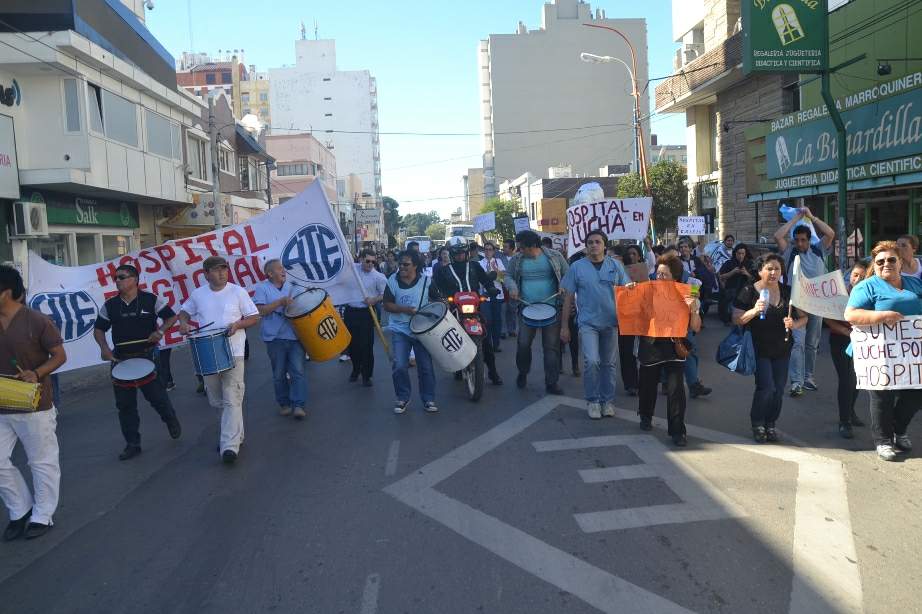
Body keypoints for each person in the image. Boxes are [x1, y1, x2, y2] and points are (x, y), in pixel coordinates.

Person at [0, 265, 66, 540]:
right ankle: (20, 510)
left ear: (6, 292)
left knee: (41, 461)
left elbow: (60, 356)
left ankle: (43, 514)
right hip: (2, 403)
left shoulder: (36, 320)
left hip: (34, 404)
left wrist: (36, 373)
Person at [93, 264, 181, 460]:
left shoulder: (150, 300)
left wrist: (159, 332)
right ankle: (132, 443)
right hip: (121, 359)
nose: (117, 281)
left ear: (134, 279)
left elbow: (171, 316)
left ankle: (170, 419)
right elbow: (99, 329)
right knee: (125, 405)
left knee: (156, 397)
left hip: (147, 355)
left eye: (122, 277)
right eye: (116, 278)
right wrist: (104, 348)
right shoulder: (110, 305)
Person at [178, 256, 260, 464]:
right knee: (217, 401)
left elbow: (254, 317)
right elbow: (184, 312)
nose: (222, 273)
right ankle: (235, 435)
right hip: (207, 354)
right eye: (216, 270)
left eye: (224, 269)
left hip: (234, 351)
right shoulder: (199, 294)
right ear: (206, 274)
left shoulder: (237, 291)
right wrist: (184, 323)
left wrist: (238, 325)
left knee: (233, 396)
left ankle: (228, 447)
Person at [845, 241, 922, 461]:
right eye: (880, 261)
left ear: (900, 263)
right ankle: (884, 440)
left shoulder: (914, 284)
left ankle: (898, 428)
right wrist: (882, 316)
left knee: (916, 393)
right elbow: (850, 315)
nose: (885, 264)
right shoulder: (867, 287)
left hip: (910, 352)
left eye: (891, 260)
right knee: (882, 396)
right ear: (875, 265)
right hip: (878, 352)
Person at [733, 254, 808, 443]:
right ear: (760, 271)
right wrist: (754, 311)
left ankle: (770, 424)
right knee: (766, 387)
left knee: (778, 390)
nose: (773, 272)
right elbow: (736, 319)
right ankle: (757, 423)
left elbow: (804, 318)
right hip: (759, 348)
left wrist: (794, 324)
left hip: (782, 348)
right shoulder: (750, 290)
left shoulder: (788, 292)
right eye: (769, 268)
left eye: (777, 268)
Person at [560, 230, 629, 419]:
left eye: (597, 242)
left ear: (605, 245)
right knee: (592, 361)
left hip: (611, 323)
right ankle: (592, 400)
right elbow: (568, 298)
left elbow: (627, 293)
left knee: (609, 364)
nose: (593, 245)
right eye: (590, 242)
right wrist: (564, 326)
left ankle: (607, 401)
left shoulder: (616, 266)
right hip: (587, 323)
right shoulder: (577, 267)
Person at [632, 254, 701, 446]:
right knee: (647, 385)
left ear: (675, 277)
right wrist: (631, 294)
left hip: (674, 346)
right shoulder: (647, 291)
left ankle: (678, 431)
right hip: (650, 345)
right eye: (658, 274)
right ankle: (645, 416)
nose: (659, 278)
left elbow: (695, 327)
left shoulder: (687, 293)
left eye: (664, 275)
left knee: (676, 390)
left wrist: (693, 309)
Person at [774, 207, 835, 396]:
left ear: (809, 240)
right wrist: (797, 219)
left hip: (816, 302)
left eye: (803, 240)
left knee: (812, 343)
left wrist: (811, 216)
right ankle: (796, 382)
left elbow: (830, 233)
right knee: (798, 343)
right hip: (797, 304)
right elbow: (778, 236)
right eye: (797, 239)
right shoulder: (790, 251)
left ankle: (809, 377)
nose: (800, 243)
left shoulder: (818, 250)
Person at [505, 230, 570, 394]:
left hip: (552, 308)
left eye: (521, 248)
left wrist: (564, 284)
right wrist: (512, 288)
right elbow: (508, 276)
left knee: (551, 347)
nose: (519, 250)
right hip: (526, 308)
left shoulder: (554, 256)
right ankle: (523, 372)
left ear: (533, 246)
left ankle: (552, 382)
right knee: (523, 344)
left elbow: (568, 275)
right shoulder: (517, 259)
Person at [431, 242, 503, 384]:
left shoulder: (475, 266)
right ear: (452, 255)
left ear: (467, 254)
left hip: (475, 308)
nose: (460, 256)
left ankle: (493, 373)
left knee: (486, 341)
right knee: (450, 339)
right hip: (454, 308)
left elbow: (486, 280)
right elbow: (435, 286)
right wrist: (438, 297)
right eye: (457, 254)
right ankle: (457, 367)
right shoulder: (443, 271)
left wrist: (491, 288)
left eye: (463, 253)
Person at [382, 250, 437, 414]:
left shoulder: (427, 282)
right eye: (400, 264)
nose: (402, 267)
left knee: (425, 367)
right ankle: (402, 397)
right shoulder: (392, 280)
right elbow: (386, 304)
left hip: (422, 331)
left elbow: (438, 301)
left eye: (406, 264)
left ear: (415, 265)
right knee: (399, 365)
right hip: (400, 329)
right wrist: (404, 309)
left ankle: (428, 399)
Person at [253, 259, 307, 419]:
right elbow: (260, 310)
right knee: (279, 373)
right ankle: (284, 403)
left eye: (283, 268)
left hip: (295, 336)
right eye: (279, 269)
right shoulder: (262, 288)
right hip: (274, 339)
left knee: (298, 371)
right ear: (270, 274)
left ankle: (299, 405)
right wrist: (280, 302)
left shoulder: (293, 287)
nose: (283, 271)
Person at [825, 260, 869, 439]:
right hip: (840, 341)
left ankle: (850, 411)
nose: (857, 279)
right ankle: (845, 422)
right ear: (849, 275)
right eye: (855, 275)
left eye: (862, 276)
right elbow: (826, 318)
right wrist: (845, 331)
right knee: (847, 379)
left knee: (858, 380)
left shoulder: (870, 295)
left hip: (862, 342)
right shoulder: (839, 294)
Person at [676, 240, 712, 399]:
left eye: (686, 247)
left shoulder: (689, 273)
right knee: (667, 354)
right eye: (681, 248)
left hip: (685, 317)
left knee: (690, 349)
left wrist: (694, 293)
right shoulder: (660, 274)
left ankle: (693, 384)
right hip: (667, 320)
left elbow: (700, 284)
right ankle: (664, 380)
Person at [344, 249, 387, 385]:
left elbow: (385, 294)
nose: (370, 264)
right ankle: (356, 369)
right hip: (350, 311)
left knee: (366, 345)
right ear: (361, 259)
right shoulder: (352, 269)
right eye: (367, 261)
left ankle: (367, 375)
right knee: (351, 345)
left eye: (373, 262)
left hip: (366, 313)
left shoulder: (378, 277)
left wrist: (374, 300)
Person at [718, 243, 756, 325]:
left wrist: (746, 273)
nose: (741, 256)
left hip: (745, 292)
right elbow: (721, 277)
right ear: (735, 253)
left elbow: (755, 279)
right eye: (739, 253)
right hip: (731, 290)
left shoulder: (750, 264)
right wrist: (733, 272)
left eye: (743, 253)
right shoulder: (729, 263)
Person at [480, 242, 506, 352]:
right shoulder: (480, 263)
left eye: (490, 249)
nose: (488, 251)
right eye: (486, 249)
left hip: (497, 295)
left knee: (497, 320)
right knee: (487, 320)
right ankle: (488, 344)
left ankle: (496, 344)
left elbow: (502, 278)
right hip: (485, 296)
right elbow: (480, 280)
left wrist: (495, 269)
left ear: (493, 251)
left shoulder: (498, 262)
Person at [502, 239, 519, 339]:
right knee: (503, 310)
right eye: (503, 246)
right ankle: (503, 331)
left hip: (514, 289)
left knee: (512, 310)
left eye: (505, 247)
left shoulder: (517, 259)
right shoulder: (499, 258)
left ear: (512, 248)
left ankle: (512, 329)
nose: (503, 248)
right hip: (503, 288)